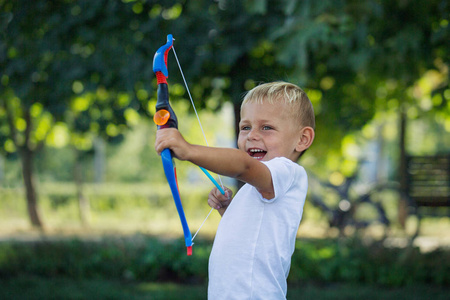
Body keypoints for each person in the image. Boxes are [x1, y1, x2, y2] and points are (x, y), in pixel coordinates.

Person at [155, 81, 315, 299]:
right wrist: (229, 210)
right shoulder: (259, 185)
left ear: (302, 139)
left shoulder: (287, 172)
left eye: (267, 127)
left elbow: (243, 165)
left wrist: (188, 150)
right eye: (245, 127)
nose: (252, 136)